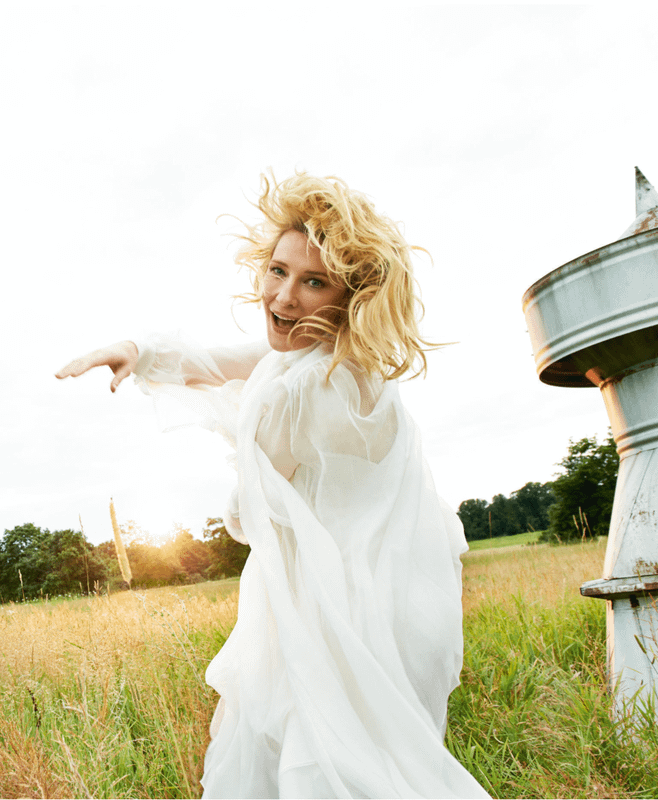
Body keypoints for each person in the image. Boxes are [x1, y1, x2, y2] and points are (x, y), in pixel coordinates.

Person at [56, 173, 489, 799]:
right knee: (370, 768)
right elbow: (228, 360)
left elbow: (247, 512)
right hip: (383, 607)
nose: (283, 297)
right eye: (277, 271)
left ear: (349, 298)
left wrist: (241, 465)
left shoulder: (308, 388)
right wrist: (136, 348)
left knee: (317, 768)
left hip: (338, 621)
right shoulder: (337, 361)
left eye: (314, 281)